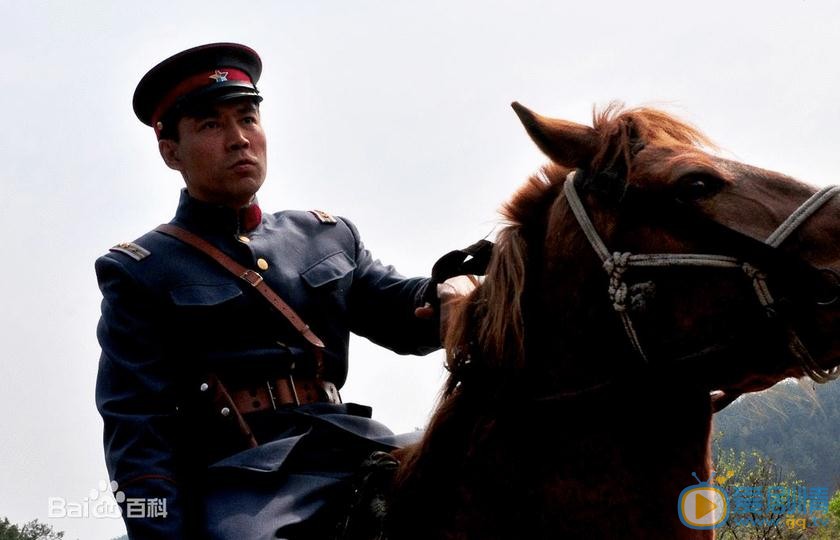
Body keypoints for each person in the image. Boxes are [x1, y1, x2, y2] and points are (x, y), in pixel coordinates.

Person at [95, 42, 442, 539]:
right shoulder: (141, 271)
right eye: (211, 125)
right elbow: (137, 430)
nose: (239, 139)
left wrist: (459, 289)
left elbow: (406, 311)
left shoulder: (325, 235)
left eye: (247, 118)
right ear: (170, 151)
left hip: (356, 445)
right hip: (245, 484)